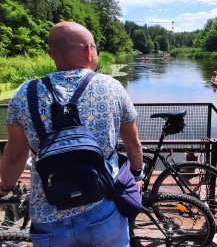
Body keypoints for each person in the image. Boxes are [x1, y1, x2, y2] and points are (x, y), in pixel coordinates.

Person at [0, 21, 143, 246]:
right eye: (95, 47)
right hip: (102, 206)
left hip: (48, 210)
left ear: (50, 53)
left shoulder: (25, 93)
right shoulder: (113, 87)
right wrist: (136, 175)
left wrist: (4, 188)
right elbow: (133, 143)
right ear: (88, 50)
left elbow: (15, 157)